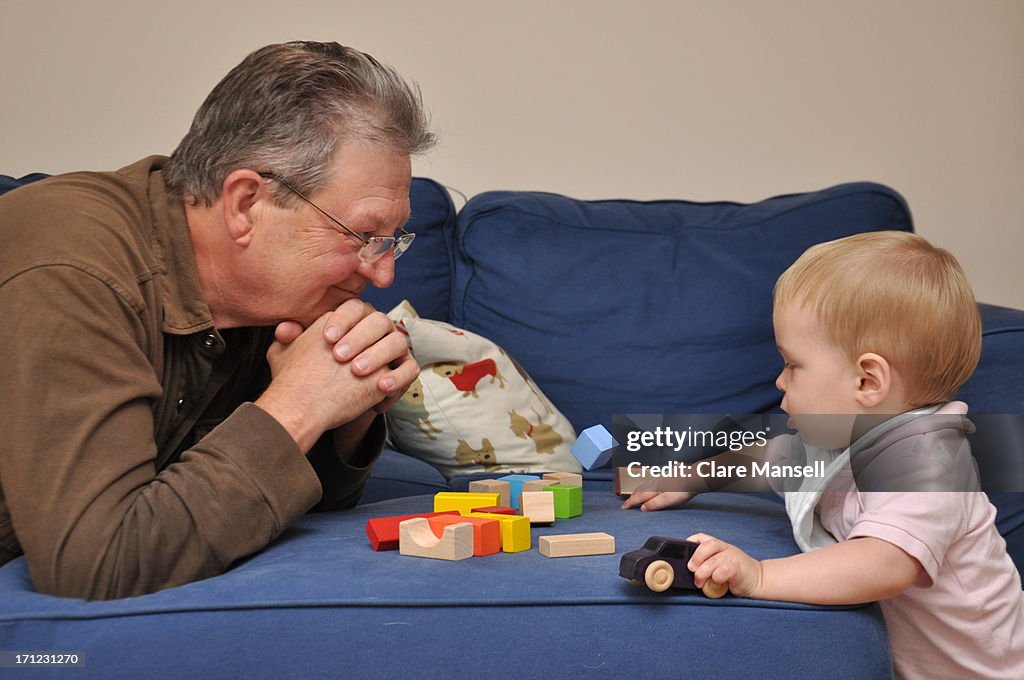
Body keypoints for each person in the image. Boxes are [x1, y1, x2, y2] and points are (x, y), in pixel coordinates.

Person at [0, 41, 435, 600]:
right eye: (361, 234)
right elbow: (100, 566)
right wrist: (298, 406)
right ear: (245, 203)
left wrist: (342, 413)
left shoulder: (262, 293)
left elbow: (283, 508)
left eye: (390, 242)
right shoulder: (74, 270)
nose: (382, 276)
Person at [622, 231, 1024, 678]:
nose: (779, 381)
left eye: (793, 364)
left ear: (867, 382)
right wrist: (691, 478)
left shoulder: (928, 462)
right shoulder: (848, 437)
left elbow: (884, 563)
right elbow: (763, 458)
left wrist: (760, 576)